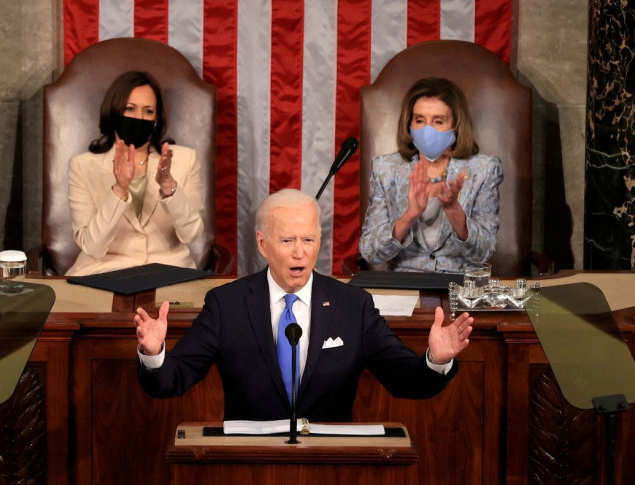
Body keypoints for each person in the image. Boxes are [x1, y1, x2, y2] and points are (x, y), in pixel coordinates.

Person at [134, 189, 473, 422]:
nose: (300, 252)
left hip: (331, 463)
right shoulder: (227, 304)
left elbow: (406, 381)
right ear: (263, 244)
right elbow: (171, 381)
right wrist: (153, 353)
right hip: (249, 462)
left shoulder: (353, 305)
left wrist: (435, 361)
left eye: (308, 239)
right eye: (287, 240)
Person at [66, 71, 204, 276]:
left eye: (148, 111)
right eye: (130, 109)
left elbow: (192, 234)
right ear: (114, 113)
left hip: (168, 274)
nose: (139, 118)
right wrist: (119, 190)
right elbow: (93, 247)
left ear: (156, 119)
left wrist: (168, 186)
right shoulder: (82, 166)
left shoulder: (185, 160)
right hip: (103, 274)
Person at [359, 77, 503, 273]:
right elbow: (370, 253)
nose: (427, 130)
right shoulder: (386, 169)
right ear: (409, 124)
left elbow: (485, 252)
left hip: (460, 286)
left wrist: (455, 213)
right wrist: (408, 216)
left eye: (438, 121)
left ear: (456, 125)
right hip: (405, 284)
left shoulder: (483, 170)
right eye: (419, 120)